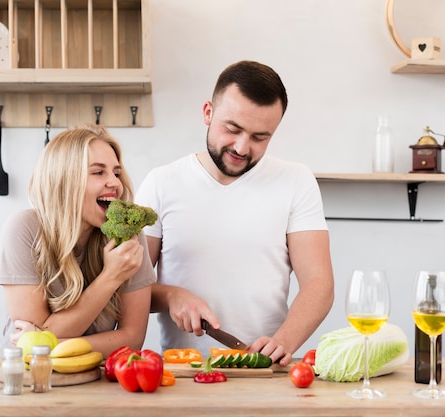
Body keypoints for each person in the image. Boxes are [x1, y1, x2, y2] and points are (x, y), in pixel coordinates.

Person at [135, 60, 334, 366]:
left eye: (260, 137)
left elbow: (318, 284)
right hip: (183, 373)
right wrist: (173, 295)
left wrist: (283, 342)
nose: (242, 147)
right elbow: (130, 287)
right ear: (207, 113)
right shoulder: (161, 183)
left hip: (264, 370)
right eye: (232, 129)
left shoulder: (296, 180)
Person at [0, 125, 155, 357]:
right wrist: (111, 277)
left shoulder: (127, 235)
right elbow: (33, 349)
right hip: (29, 378)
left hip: (98, 380)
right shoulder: (25, 228)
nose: (115, 183)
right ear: (64, 179)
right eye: (98, 172)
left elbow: (132, 339)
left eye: (116, 173)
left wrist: (53, 343)